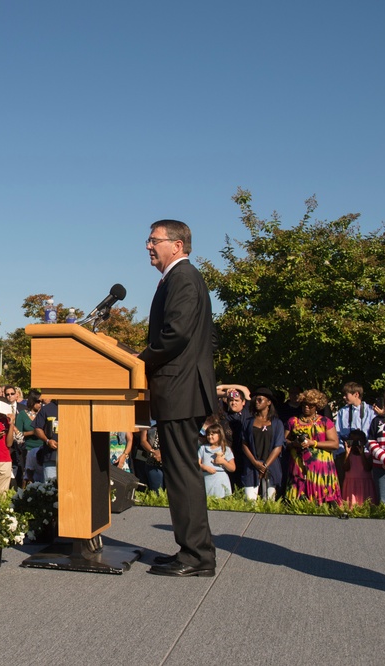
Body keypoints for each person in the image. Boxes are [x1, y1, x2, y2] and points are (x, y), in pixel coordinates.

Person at [139, 219, 218, 578]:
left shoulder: (183, 277)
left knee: (182, 473)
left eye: (154, 240)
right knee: (180, 471)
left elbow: (176, 334)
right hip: (182, 387)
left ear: (178, 245)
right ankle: (191, 550)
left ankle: (197, 556)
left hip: (179, 388)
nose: (148, 246)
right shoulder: (179, 277)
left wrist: (139, 360)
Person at [285, 389, 341, 505]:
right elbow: (283, 440)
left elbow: (335, 444)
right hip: (299, 468)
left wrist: (313, 443)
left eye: (311, 405)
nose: (307, 407)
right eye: (304, 404)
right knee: (297, 502)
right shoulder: (293, 421)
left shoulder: (325, 422)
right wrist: (294, 443)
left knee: (322, 503)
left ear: (317, 406)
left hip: (321, 471)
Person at [240, 388, 285, 500]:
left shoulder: (277, 423)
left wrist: (265, 466)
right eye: (255, 399)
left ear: (269, 402)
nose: (257, 402)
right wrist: (255, 463)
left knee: (269, 501)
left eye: (260, 399)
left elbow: (278, 447)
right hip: (252, 466)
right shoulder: (248, 422)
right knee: (249, 500)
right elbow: (244, 444)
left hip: (271, 465)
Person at [335, 382, 374, 488]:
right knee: (346, 484)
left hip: (365, 453)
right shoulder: (342, 412)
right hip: (346, 453)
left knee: (367, 485)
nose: (344, 397)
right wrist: (343, 451)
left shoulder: (370, 411)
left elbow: (373, 434)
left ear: (356, 394)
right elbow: (337, 433)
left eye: (346, 394)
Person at [198, 423, 235, 498]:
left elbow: (232, 468)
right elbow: (197, 464)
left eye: (212, 434)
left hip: (220, 480)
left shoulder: (225, 449)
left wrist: (223, 462)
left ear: (220, 435)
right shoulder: (203, 448)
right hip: (207, 479)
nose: (210, 437)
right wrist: (205, 468)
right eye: (208, 434)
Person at [341, 430, 374, 507]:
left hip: (365, 485)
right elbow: (345, 468)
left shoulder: (368, 455)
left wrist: (362, 453)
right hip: (350, 485)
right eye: (353, 441)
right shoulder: (347, 455)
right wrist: (347, 453)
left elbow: (367, 468)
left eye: (358, 441)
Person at [17, 391, 44, 485]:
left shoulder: (43, 414)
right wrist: (32, 432)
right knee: (28, 476)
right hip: (29, 448)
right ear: (32, 401)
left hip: (43, 448)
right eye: (38, 401)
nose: (40, 404)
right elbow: (18, 433)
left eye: (41, 402)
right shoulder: (22, 415)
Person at [134, 424, 164, 492]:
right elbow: (143, 441)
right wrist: (153, 452)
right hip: (152, 462)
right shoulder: (148, 422)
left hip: (171, 463)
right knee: (157, 492)